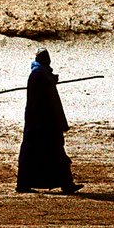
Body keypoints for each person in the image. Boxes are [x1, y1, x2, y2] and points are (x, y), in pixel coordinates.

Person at [16, 48, 81, 194]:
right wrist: (51, 80)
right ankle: (66, 184)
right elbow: (46, 101)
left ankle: (26, 184)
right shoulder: (39, 75)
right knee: (55, 153)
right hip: (43, 124)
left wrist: (51, 80)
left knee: (39, 153)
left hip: (39, 123)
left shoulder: (40, 74)